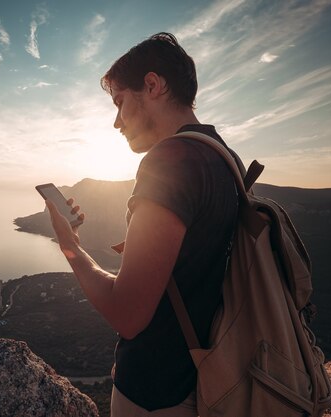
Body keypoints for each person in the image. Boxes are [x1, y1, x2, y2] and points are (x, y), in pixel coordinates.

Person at [45, 32, 238, 416]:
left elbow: (128, 315)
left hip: (158, 394)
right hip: (212, 379)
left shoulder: (171, 161)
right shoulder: (222, 156)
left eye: (119, 102)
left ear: (152, 85)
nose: (116, 121)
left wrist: (72, 248)